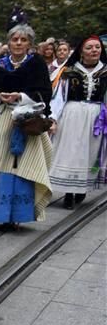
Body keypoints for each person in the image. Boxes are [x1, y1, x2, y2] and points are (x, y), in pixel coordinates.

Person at [0, 24, 53, 233]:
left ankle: (11, 216)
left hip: (24, 120)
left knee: (17, 168)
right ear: (9, 42)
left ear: (29, 44)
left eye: (23, 40)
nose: (19, 43)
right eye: (15, 39)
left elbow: (45, 93)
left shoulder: (37, 64)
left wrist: (20, 96)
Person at [49, 35, 107, 209]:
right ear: (81, 51)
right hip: (72, 115)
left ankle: (82, 189)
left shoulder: (105, 71)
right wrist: (53, 118)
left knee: (89, 152)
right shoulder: (69, 71)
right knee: (71, 152)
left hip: (96, 117)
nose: (94, 50)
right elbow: (59, 97)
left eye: (97, 47)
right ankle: (68, 193)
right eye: (89, 48)